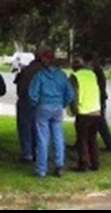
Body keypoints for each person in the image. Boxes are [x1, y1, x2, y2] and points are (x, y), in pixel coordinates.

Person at [28, 47, 74, 178]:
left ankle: (41, 169)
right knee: (58, 136)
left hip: (43, 106)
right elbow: (70, 93)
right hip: (58, 107)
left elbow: (32, 94)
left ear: (45, 61)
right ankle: (59, 165)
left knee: (42, 138)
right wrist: (62, 103)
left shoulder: (40, 75)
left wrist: (35, 104)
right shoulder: (62, 75)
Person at [69, 56, 102, 172]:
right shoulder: (92, 74)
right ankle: (95, 163)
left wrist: (74, 110)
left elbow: (73, 95)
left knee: (82, 139)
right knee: (92, 138)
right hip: (96, 111)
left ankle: (84, 164)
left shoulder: (74, 77)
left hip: (83, 112)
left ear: (73, 66)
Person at [14, 48, 43, 162]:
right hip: (40, 102)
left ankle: (27, 153)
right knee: (38, 128)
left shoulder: (26, 70)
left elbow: (19, 86)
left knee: (25, 127)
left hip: (25, 100)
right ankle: (38, 151)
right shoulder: (45, 71)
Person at [91, 57, 111, 152]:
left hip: (98, 100)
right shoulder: (97, 72)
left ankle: (110, 144)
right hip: (98, 99)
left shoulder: (97, 73)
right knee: (96, 123)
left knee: (101, 123)